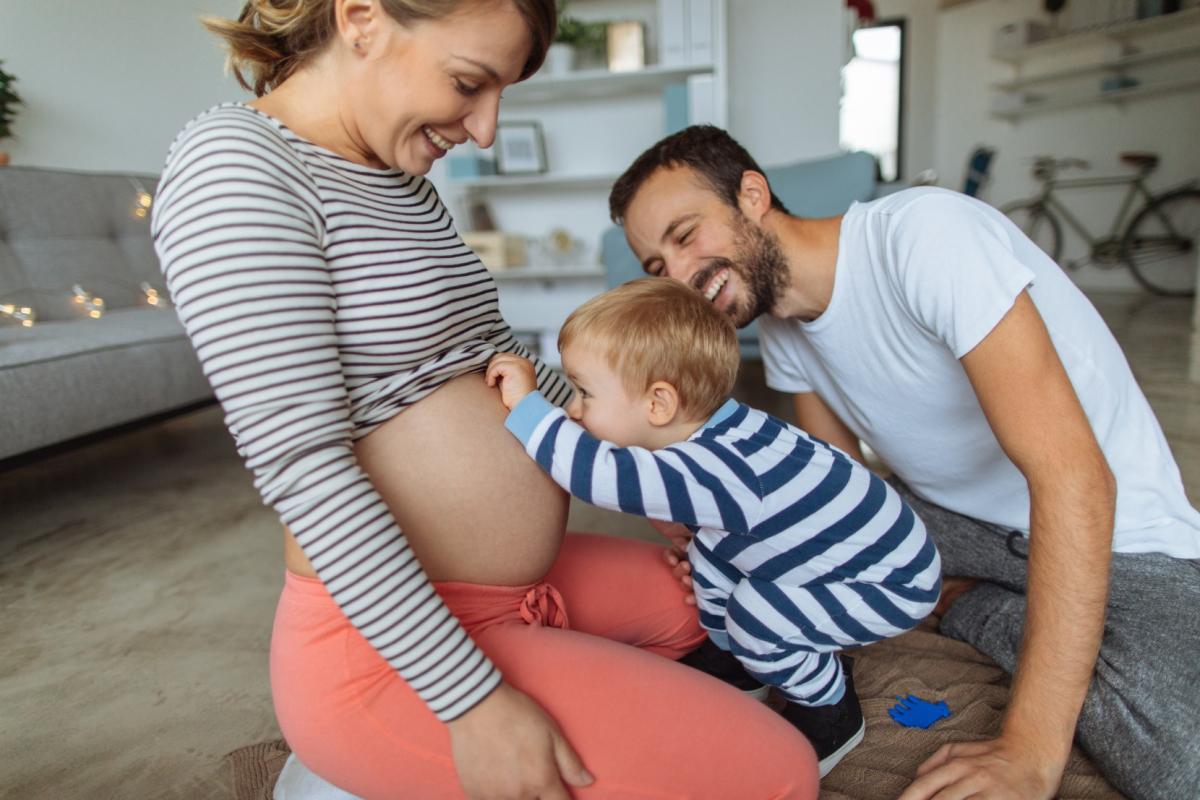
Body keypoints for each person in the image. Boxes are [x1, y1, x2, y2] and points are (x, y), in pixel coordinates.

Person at [152, 4, 820, 798]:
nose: (485, 129)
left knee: (719, 608)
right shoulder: (235, 169)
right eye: (470, 83)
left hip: (519, 590)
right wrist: (472, 703)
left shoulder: (401, 183)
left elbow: (505, 364)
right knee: (776, 774)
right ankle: (357, 758)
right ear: (361, 16)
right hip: (381, 643)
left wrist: (660, 476)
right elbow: (305, 471)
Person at [606, 125, 1200, 800]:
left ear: (751, 194)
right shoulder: (781, 328)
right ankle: (974, 599)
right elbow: (828, 491)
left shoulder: (925, 235)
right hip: (946, 525)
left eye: (685, 236)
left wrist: (1030, 750)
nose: (679, 277)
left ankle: (972, 606)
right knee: (742, 530)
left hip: (1119, 534)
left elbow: (1074, 478)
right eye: (656, 267)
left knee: (1182, 768)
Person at [485, 278, 942, 777]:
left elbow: (598, 476)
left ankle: (829, 706)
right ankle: (738, 659)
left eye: (584, 393)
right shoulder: (717, 425)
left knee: (757, 616)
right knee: (709, 554)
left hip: (889, 581)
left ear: (658, 404)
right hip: (842, 552)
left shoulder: (718, 467)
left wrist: (529, 406)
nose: (573, 409)